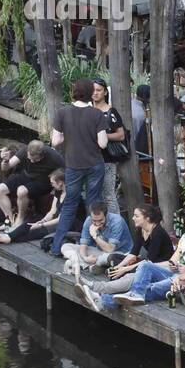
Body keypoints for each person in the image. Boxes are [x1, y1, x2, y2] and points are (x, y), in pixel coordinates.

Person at [49, 79, 109, 256]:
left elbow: (55, 141)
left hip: (73, 165)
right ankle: (91, 244)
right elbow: (103, 143)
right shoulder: (96, 114)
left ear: (73, 93)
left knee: (69, 205)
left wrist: (70, 136)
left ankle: (55, 247)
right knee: (93, 205)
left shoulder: (62, 113)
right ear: (90, 93)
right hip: (94, 164)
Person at [89, 204, 174, 293]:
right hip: (146, 262)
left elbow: (150, 261)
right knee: (114, 258)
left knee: (128, 270)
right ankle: (109, 270)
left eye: (136, 216)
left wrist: (125, 269)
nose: (133, 218)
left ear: (147, 218)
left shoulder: (157, 233)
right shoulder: (141, 229)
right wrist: (119, 267)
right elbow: (133, 252)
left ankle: (105, 284)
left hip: (157, 266)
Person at [0, 138, 68, 230]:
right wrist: (5, 161)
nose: (32, 162)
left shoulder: (53, 156)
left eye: (35, 160)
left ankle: (20, 219)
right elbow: (6, 168)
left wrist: (59, 184)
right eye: (29, 159)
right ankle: (9, 221)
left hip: (43, 181)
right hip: (26, 175)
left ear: (42, 155)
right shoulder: (24, 150)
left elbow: (66, 171)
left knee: (21, 191)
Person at [0, 170, 65, 244]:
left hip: (61, 224)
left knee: (33, 232)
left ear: (60, 183)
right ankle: (6, 237)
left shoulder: (70, 196)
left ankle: (6, 238)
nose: (52, 185)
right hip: (51, 220)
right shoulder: (58, 193)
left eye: (53, 183)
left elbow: (61, 219)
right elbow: (52, 211)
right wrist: (43, 221)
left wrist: (42, 225)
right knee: (29, 224)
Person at [63, 200, 131, 275]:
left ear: (106, 215)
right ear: (91, 216)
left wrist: (95, 236)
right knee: (66, 247)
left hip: (119, 253)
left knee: (109, 258)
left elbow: (110, 249)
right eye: (94, 220)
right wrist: (85, 257)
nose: (97, 223)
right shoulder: (88, 221)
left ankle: (81, 263)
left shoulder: (117, 221)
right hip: (99, 252)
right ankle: (91, 264)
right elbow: (83, 244)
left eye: (100, 220)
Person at [91, 78, 127, 215]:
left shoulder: (111, 112)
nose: (95, 93)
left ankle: (116, 223)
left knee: (108, 194)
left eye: (99, 90)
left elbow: (121, 135)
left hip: (107, 159)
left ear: (105, 92)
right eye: (93, 90)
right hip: (90, 158)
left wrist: (102, 137)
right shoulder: (87, 110)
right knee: (94, 194)